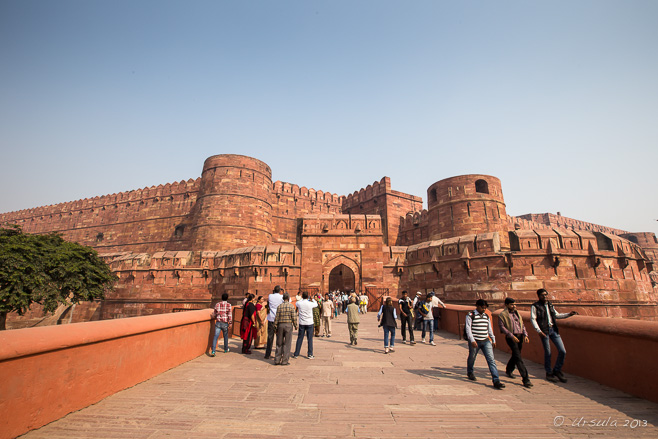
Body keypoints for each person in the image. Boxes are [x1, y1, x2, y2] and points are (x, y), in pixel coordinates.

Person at [531, 288, 578, 383]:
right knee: (548, 353)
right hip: (544, 331)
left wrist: (569, 314)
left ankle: (557, 370)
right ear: (539, 296)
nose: (545, 296)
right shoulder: (535, 306)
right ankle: (549, 373)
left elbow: (556, 315)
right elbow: (533, 319)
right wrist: (538, 331)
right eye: (542, 295)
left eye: (546, 295)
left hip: (553, 330)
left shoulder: (550, 305)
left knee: (562, 351)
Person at [465, 299, 505, 389]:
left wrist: (493, 339)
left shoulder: (486, 316)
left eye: (485, 308)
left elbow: (489, 328)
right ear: (477, 306)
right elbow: (468, 329)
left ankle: (496, 380)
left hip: (486, 340)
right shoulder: (471, 315)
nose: (484, 309)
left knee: (491, 360)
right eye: (482, 307)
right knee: (472, 357)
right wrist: (472, 340)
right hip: (475, 340)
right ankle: (470, 372)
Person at [498, 298, 533, 388]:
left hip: (519, 336)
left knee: (516, 355)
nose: (514, 306)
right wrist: (511, 336)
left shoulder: (516, 313)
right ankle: (525, 379)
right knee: (518, 357)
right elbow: (502, 327)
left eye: (514, 304)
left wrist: (525, 335)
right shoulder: (503, 315)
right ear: (506, 305)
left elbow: (522, 325)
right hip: (511, 337)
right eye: (512, 304)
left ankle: (509, 369)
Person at [273, 292, 297, 365]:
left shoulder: (279, 306)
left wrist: (275, 326)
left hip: (280, 325)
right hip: (288, 325)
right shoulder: (291, 306)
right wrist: (295, 325)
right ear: (289, 298)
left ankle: (277, 360)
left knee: (279, 343)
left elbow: (276, 317)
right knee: (287, 343)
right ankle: (284, 360)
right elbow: (294, 316)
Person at [293, 292, 318, 359]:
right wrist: (312, 299)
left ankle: (296, 354)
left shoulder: (300, 303)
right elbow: (316, 304)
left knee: (300, 338)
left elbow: (296, 303)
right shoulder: (310, 303)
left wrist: (302, 298)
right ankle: (310, 354)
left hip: (302, 323)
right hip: (309, 323)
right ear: (308, 297)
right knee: (309, 339)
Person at [264, 286, 284, 360]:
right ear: (280, 291)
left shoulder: (270, 296)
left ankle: (267, 354)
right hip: (279, 319)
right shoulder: (281, 297)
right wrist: (284, 292)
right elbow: (289, 299)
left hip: (271, 318)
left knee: (270, 337)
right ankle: (278, 354)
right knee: (279, 338)